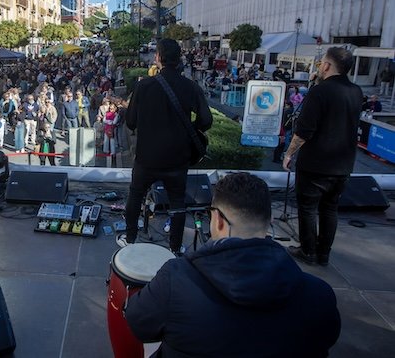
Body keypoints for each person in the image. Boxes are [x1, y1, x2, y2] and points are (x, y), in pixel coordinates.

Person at [125, 173, 341, 357]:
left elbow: (138, 325)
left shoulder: (176, 280)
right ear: (269, 222)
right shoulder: (320, 296)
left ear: (217, 220)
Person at [119, 39, 213, 254]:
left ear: (159, 58)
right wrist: (188, 129)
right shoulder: (191, 86)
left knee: (136, 195)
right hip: (177, 157)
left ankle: (130, 238)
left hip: (147, 156)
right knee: (177, 203)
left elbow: (131, 121)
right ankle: (174, 246)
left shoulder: (144, 85)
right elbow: (206, 120)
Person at [283, 47, 363, 265]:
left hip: (316, 164)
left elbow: (303, 131)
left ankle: (308, 251)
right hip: (343, 165)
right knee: (330, 209)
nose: (319, 67)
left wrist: (288, 154)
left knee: (308, 209)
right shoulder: (357, 91)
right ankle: (323, 253)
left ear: (327, 66)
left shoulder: (319, 92)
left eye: (321, 63)